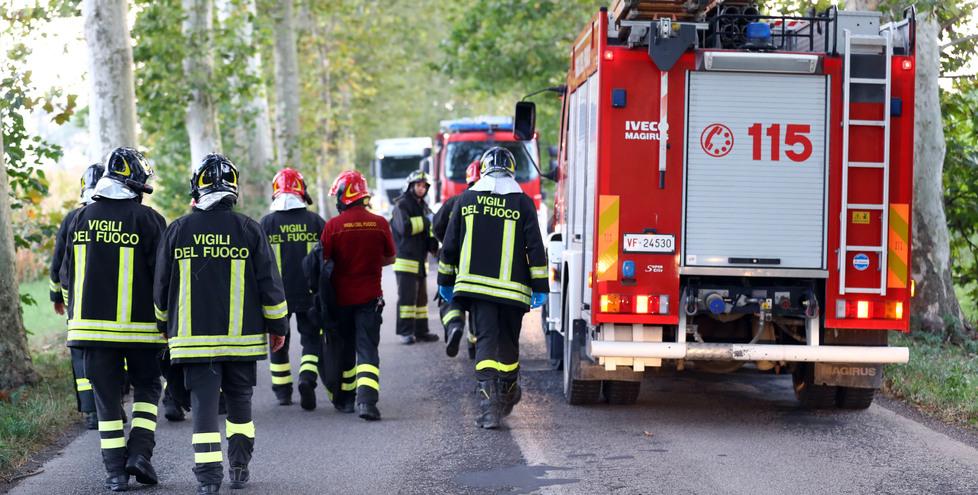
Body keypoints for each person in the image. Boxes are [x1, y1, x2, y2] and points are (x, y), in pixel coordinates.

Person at [153, 154, 288, 494]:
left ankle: (208, 477)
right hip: (241, 341)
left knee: (203, 406)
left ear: (196, 189)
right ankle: (239, 467)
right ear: (233, 189)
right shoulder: (249, 229)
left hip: (192, 341)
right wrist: (278, 328)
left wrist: (163, 326)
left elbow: (161, 288)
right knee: (240, 402)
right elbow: (270, 284)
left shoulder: (177, 230)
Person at [59, 148, 167, 491]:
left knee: (107, 402)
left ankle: (115, 474)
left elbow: (65, 276)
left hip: (90, 332)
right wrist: (165, 322)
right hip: (142, 332)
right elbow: (164, 279)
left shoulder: (79, 218)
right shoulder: (150, 220)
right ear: (137, 184)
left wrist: (75, 315)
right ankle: (139, 452)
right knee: (149, 387)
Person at [437, 147, 549, 430]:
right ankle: (509, 391)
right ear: (511, 170)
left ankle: (489, 408)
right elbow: (535, 248)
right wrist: (540, 287)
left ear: (484, 169)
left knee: (485, 341)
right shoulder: (523, 203)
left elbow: (449, 245)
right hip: (513, 292)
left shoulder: (466, 199)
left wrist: (445, 281)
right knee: (509, 344)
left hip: (476, 289)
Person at [320, 170, 394, 420]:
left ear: (344, 195)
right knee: (367, 350)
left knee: (345, 349)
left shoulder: (333, 226)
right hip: (370, 300)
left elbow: (324, 261)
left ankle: (347, 399)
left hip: (340, 301)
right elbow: (390, 257)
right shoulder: (380, 223)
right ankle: (368, 403)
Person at [260, 168, 327, 409]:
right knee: (311, 339)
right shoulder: (315, 221)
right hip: (311, 294)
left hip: (277, 297)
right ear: (301, 191)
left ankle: (282, 391)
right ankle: (307, 378)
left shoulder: (267, 223)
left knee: (278, 342)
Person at [50, 163, 104, 430]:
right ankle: (112, 405)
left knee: (82, 357)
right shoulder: (113, 216)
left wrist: (56, 297)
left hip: (77, 306)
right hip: (108, 303)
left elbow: (58, 262)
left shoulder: (73, 218)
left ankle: (91, 411)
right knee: (114, 356)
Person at [432, 160, 480, 358]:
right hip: (481, 265)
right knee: (479, 306)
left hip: (455, 262)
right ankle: (474, 346)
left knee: (451, 300)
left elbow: (436, 226)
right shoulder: (491, 203)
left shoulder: (454, 201)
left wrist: (447, 243)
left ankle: (454, 327)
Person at [391, 170, 439, 345]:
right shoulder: (402, 205)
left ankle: (421, 331)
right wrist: (427, 221)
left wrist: (432, 243)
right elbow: (405, 227)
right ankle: (405, 332)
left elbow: (429, 229)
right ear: (411, 186)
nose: (421, 189)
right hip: (405, 261)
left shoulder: (423, 206)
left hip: (420, 262)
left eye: (424, 186)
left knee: (421, 301)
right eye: (418, 185)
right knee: (407, 299)